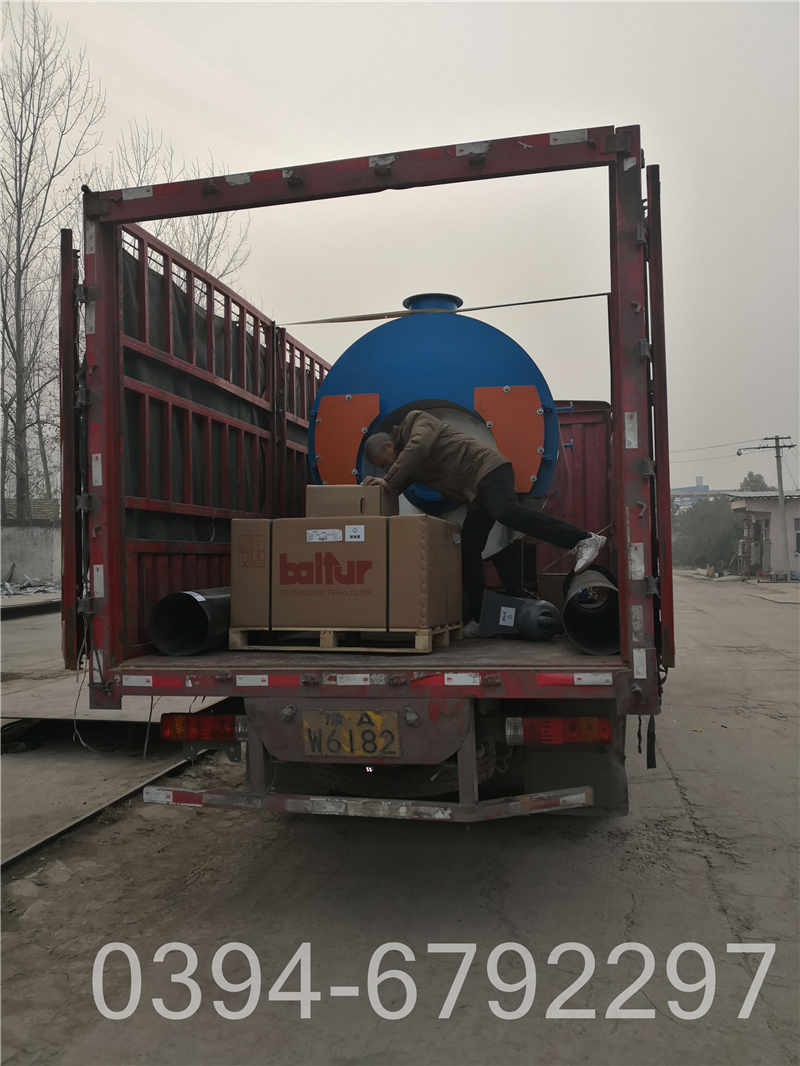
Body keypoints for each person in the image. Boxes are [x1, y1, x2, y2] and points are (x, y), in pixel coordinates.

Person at [363, 409, 607, 630]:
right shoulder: (407, 461)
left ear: (388, 445)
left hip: (489, 470)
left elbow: (418, 447)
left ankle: (583, 539)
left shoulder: (417, 421)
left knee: (505, 512)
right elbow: (397, 482)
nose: (388, 467)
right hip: (476, 492)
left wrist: (389, 478)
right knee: (468, 548)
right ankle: (478, 617)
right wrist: (379, 488)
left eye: (386, 462)